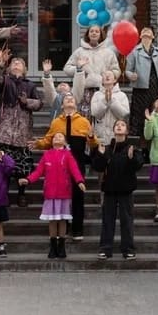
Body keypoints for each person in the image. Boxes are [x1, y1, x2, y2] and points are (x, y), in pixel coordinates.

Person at [32, 93, 97, 241]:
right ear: (62, 105)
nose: (69, 99)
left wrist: (92, 137)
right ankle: (63, 229)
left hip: (77, 161)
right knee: (63, 196)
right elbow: (48, 141)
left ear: (76, 104)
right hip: (59, 165)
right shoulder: (56, 122)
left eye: (72, 98)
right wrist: (38, 143)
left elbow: (93, 144)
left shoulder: (84, 121)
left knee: (78, 196)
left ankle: (78, 229)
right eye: (66, 99)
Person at [18, 132, 86, 260]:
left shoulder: (68, 155)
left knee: (62, 220)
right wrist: (28, 179)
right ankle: (53, 245)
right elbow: (38, 171)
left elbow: (75, 170)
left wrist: (80, 181)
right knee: (52, 220)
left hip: (64, 192)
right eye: (55, 137)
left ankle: (62, 246)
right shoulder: (47, 155)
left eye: (60, 137)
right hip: (50, 192)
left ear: (65, 142)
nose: (57, 138)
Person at [91, 119, 144, 260]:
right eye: (117, 125)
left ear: (126, 131)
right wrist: (101, 155)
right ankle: (105, 249)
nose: (119, 127)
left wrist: (132, 158)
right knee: (107, 221)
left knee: (127, 221)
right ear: (113, 130)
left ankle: (128, 249)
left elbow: (138, 165)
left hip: (126, 190)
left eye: (122, 125)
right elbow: (98, 167)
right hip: (109, 190)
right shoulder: (107, 148)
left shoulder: (132, 148)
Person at [0, 56, 42, 207]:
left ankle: (22, 194)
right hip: (5, 131)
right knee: (3, 166)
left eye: (19, 63)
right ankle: (4, 194)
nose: (16, 64)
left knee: (23, 166)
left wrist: (26, 102)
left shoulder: (30, 85)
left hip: (22, 132)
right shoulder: (5, 81)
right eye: (13, 62)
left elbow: (39, 103)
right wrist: (0, 65)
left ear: (24, 68)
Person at [63, 25, 120, 119]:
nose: (94, 33)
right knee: (84, 117)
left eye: (97, 31)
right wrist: (79, 69)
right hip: (84, 91)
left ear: (101, 34)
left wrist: (108, 76)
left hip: (102, 90)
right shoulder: (79, 51)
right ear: (88, 34)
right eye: (91, 31)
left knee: (100, 117)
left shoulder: (108, 52)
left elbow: (116, 70)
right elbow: (67, 68)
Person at [123, 26, 158, 138]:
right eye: (143, 31)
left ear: (153, 36)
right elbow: (127, 70)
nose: (146, 32)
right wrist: (131, 76)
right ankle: (139, 144)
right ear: (140, 36)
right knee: (140, 116)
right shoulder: (134, 52)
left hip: (157, 88)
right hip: (141, 89)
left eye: (149, 31)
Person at [90, 70, 130, 146]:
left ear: (115, 80)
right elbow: (95, 113)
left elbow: (123, 114)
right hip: (100, 134)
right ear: (102, 80)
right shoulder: (96, 95)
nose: (107, 76)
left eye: (109, 75)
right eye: (105, 75)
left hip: (116, 135)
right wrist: (104, 101)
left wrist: (112, 101)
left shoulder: (122, 95)